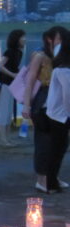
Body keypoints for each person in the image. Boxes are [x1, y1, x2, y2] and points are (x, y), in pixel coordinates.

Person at [22, 26, 68, 192]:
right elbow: (30, 81)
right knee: (44, 141)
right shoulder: (40, 56)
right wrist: (26, 105)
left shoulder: (62, 57)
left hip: (59, 101)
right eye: (59, 39)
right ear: (49, 39)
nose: (61, 42)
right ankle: (42, 180)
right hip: (43, 99)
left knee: (60, 143)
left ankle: (52, 177)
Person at [45, 37, 70, 192]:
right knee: (57, 149)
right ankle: (51, 183)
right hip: (61, 114)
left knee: (57, 148)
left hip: (56, 113)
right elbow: (68, 95)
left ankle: (52, 181)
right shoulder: (64, 70)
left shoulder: (59, 68)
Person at [0, 29, 25, 146]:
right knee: (3, 112)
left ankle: (7, 139)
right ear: (17, 39)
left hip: (12, 85)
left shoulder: (19, 52)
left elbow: (14, 67)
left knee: (8, 113)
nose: (25, 39)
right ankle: (3, 140)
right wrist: (13, 75)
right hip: (3, 84)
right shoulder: (10, 52)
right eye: (23, 37)